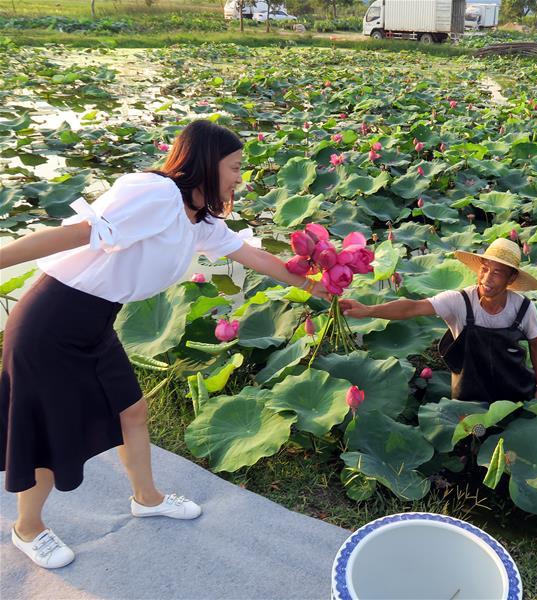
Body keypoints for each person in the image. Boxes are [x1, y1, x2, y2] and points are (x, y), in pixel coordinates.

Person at [0, 119, 328, 569]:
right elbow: (76, 232)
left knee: (131, 410)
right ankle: (28, 528)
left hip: (95, 319)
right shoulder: (154, 194)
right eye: (234, 167)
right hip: (51, 319)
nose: (239, 177)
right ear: (208, 163)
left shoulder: (200, 220)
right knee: (47, 428)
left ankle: (147, 498)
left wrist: (319, 286)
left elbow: (252, 256)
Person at [340, 238, 537, 403]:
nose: (486, 278)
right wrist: (368, 310)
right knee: (471, 443)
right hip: (468, 394)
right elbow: (412, 307)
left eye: (497, 273)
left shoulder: (524, 308)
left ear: (511, 279)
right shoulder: (459, 301)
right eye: (484, 269)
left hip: (512, 389)